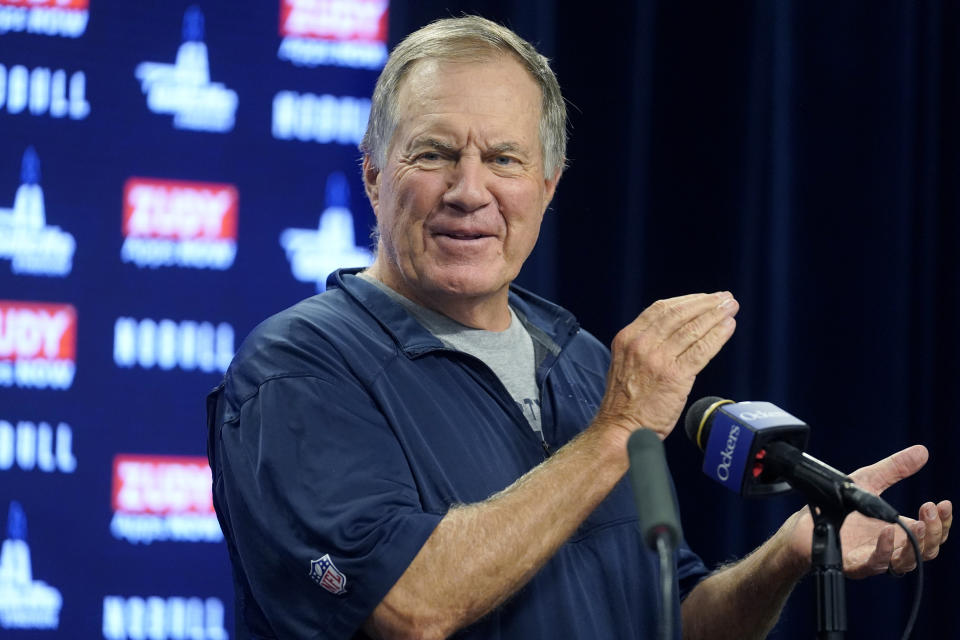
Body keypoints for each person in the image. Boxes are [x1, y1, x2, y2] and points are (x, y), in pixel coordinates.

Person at [206, 15, 952, 640]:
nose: (470, 191)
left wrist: (787, 555)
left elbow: (673, 619)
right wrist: (615, 431)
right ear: (373, 173)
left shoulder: (583, 363)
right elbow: (410, 604)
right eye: (433, 154)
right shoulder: (297, 369)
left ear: (548, 186)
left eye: (504, 158)